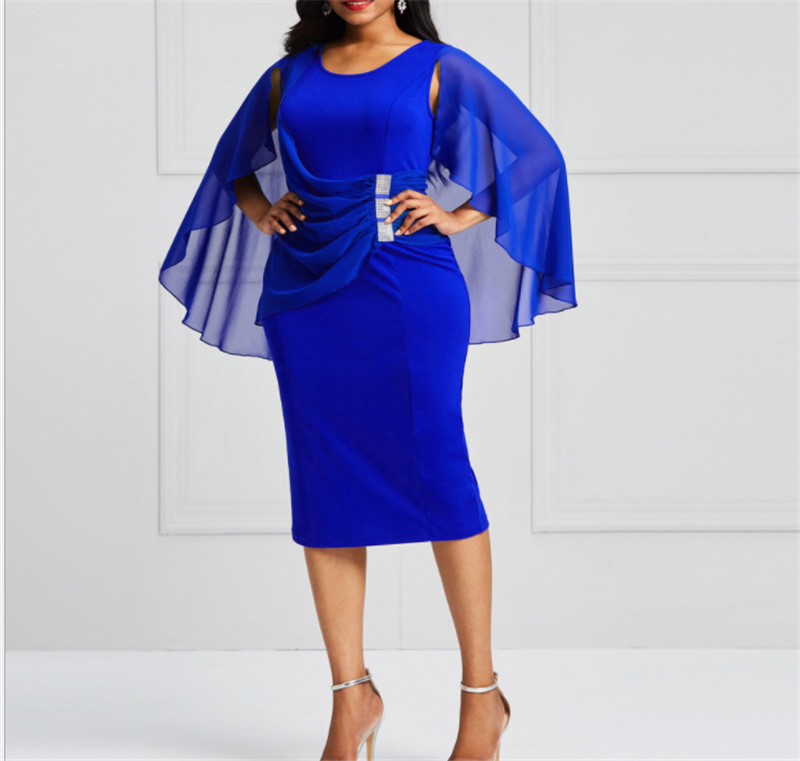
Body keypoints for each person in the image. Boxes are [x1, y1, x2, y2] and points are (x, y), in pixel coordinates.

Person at [159, 1, 577, 758]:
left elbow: (535, 158)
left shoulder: (439, 67)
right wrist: (264, 210)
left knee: (442, 474)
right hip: (306, 300)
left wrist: (456, 215)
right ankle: (352, 698)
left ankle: (482, 698)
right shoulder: (288, 77)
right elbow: (233, 169)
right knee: (325, 485)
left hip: (408, 286)